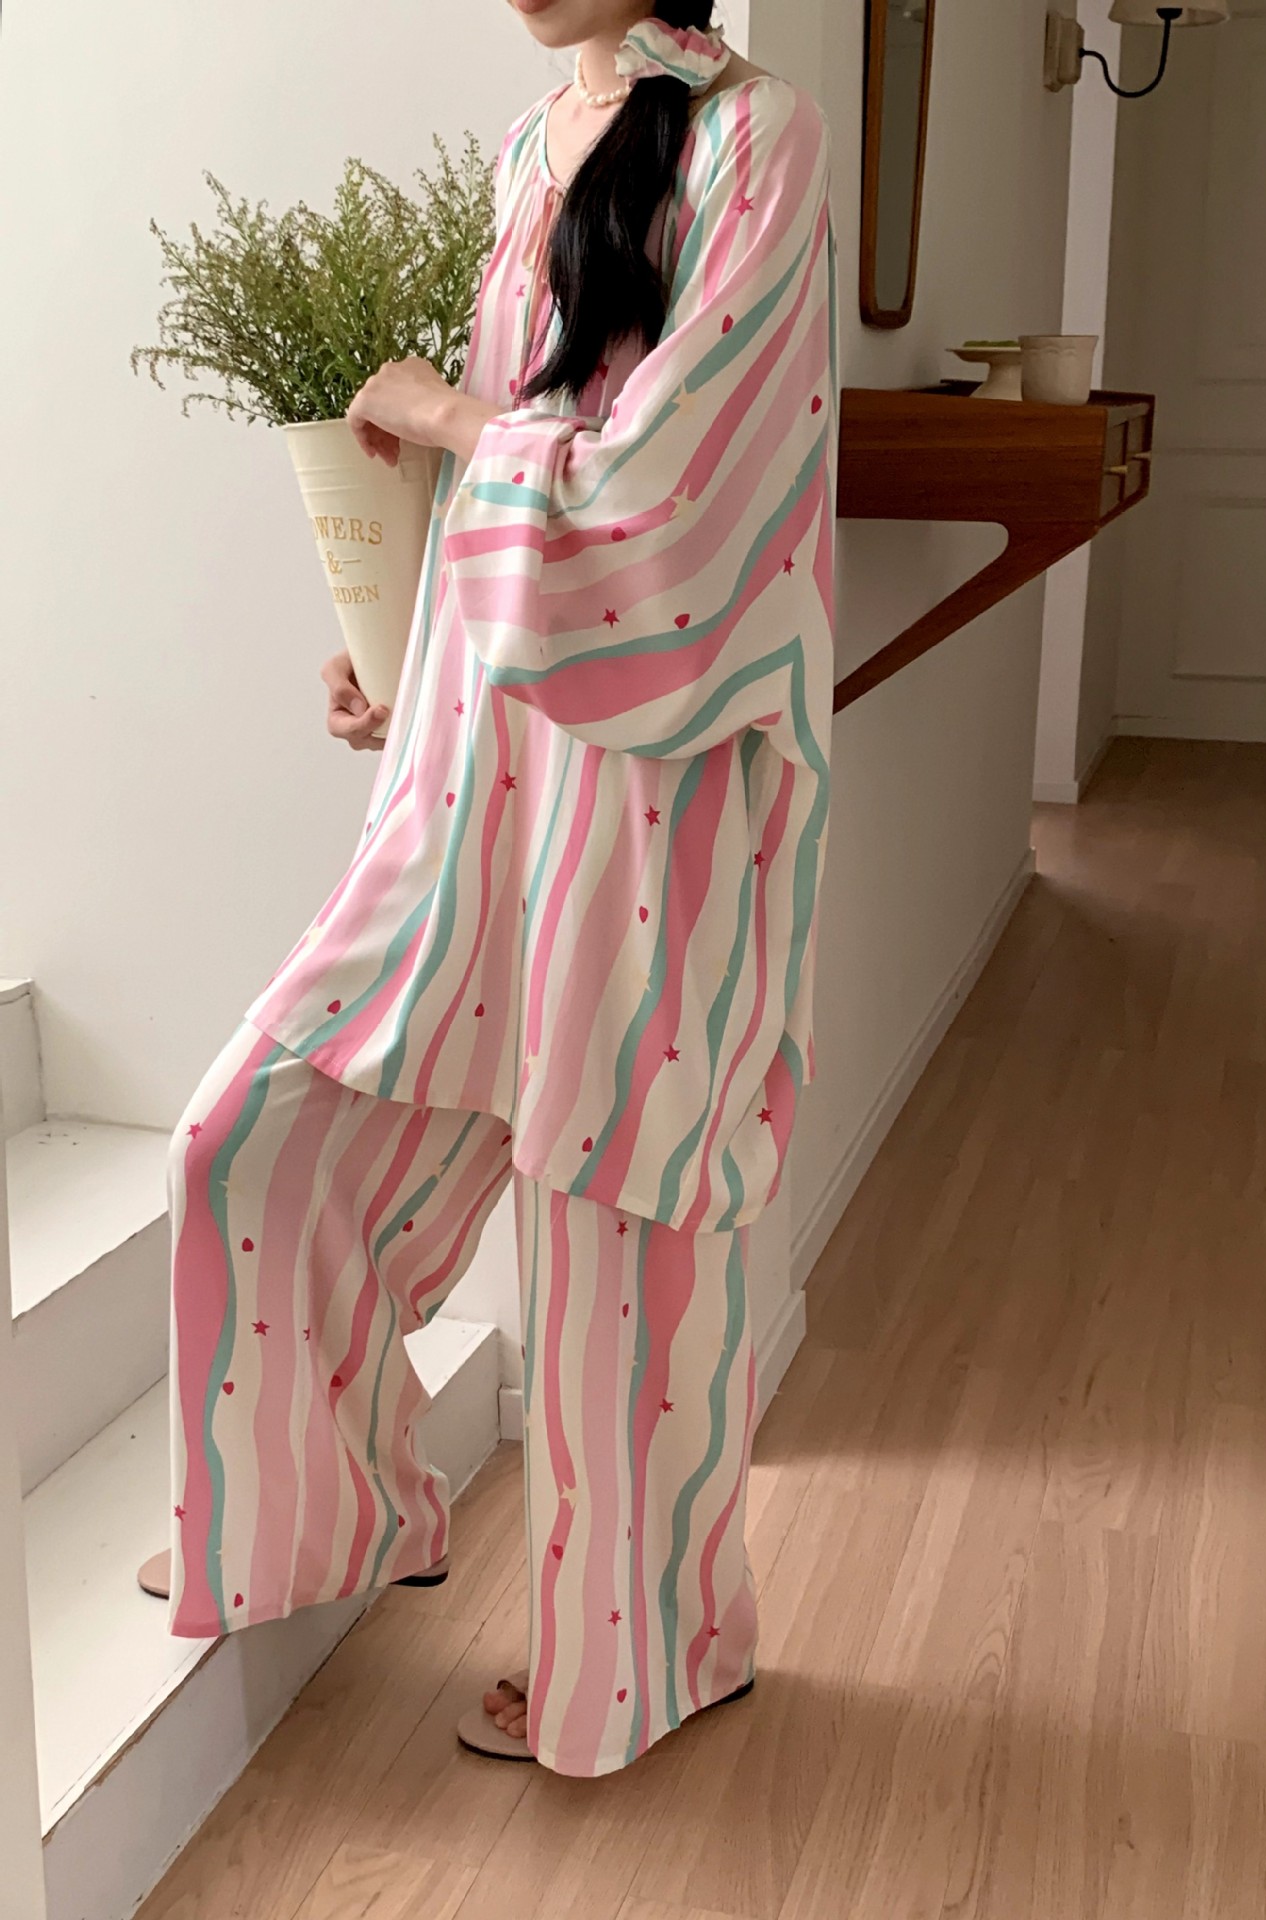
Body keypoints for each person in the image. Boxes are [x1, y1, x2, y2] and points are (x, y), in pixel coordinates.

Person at [140, 0, 836, 1777]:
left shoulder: (761, 137)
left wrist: (446, 412)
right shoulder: (541, 144)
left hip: (659, 775)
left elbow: (681, 495)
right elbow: (526, 480)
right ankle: (316, 1504)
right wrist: (409, 660)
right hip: (491, 751)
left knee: (616, 1217)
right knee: (250, 1126)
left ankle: (651, 1651)